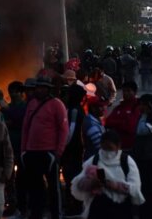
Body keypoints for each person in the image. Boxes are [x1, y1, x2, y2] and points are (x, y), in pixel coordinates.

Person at [21, 78, 69, 219]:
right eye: (37, 87)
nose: (38, 90)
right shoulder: (32, 104)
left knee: (54, 188)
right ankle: (36, 214)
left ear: (48, 89)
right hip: (31, 152)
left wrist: (58, 152)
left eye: (42, 87)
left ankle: (56, 215)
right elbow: (26, 128)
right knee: (35, 188)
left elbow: (63, 130)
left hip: (49, 152)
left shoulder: (57, 104)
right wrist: (24, 150)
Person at [71, 130, 145, 219]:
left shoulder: (126, 162)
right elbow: (78, 184)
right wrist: (91, 183)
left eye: (109, 148)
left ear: (118, 146)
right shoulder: (94, 160)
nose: (106, 152)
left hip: (121, 210)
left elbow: (135, 189)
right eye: (104, 148)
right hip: (98, 210)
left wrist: (113, 185)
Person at [133, 94, 152, 219]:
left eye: (144, 104)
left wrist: (144, 115)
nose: (141, 107)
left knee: (148, 189)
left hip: (148, 158)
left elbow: (141, 131)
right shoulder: (142, 117)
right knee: (141, 187)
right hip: (140, 157)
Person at [61, 84, 87, 216]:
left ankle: (75, 207)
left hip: (73, 150)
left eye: (67, 94)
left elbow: (70, 132)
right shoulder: (74, 109)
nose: (65, 96)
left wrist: (62, 146)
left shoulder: (74, 110)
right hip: (73, 150)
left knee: (72, 177)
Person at [3, 81, 28, 216]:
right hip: (8, 146)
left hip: (22, 146)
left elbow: (19, 120)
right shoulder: (8, 106)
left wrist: (10, 116)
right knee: (8, 177)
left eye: (16, 91)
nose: (13, 94)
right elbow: (5, 123)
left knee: (21, 178)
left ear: (21, 93)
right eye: (11, 91)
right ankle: (12, 204)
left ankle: (22, 206)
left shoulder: (25, 107)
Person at [105, 81, 141, 153]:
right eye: (124, 91)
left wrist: (116, 124)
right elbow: (108, 122)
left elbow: (130, 127)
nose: (125, 93)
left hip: (132, 148)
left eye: (128, 91)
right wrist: (122, 122)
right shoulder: (119, 107)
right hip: (118, 148)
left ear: (135, 92)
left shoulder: (137, 107)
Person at [83, 96, 108, 160]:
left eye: (103, 106)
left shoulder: (95, 120)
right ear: (93, 108)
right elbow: (101, 146)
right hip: (93, 161)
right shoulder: (91, 124)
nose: (103, 109)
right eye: (100, 107)